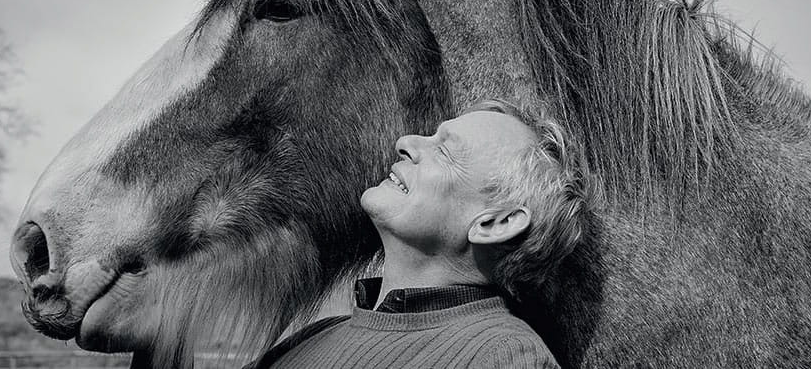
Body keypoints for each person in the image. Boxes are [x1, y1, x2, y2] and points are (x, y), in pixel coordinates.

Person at [246, 99, 586, 368]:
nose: (405, 143)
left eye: (445, 151)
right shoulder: (308, 341)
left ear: (495, 223)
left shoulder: (505, 356)